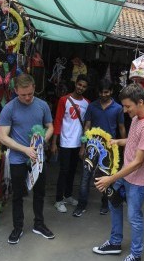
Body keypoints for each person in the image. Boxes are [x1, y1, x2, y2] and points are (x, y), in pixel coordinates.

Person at [92, 83, 144, 261]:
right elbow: (134, 140)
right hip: (125, 173)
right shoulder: (137, 117)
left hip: (137, 179)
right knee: (114, 202)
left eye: (128, 106)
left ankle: (136, 255)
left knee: (134, 216)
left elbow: (137, 162)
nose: (125, 110)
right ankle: (115, 242)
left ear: (141, 102)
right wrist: (117, 141)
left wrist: (110, 179)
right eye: (124, 106)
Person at [0, 73, 55, 244]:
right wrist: (25, 149)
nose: (28, 97)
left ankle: (39, 224)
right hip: (17, 159)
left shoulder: (42, 105)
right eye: (23, 95)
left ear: (34, 88)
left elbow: (50, 127)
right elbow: (3, 137)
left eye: (30, 93)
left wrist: (42, 141)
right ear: (15, 91)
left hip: (38, 158)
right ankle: (18, 228)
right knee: (18, 195)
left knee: (39, 193)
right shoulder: (9, 108)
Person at [73, 79, 126, 217]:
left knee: (106, 177)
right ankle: (81, 205)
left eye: (106, 92)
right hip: (91, 147)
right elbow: (87, 126)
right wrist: (83, 146)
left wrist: (124, 147)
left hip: (109, 149)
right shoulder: (92, 106)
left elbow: (121, 128)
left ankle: (104, 203)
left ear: (112, 92)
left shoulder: (118, 108)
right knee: (85, 177)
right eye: (101, 92)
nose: (103, 95)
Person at [51, 74, 90, 213]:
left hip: (78, 143)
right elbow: (58, 121)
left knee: (73, 171)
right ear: (75, 83)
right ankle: (58, 200)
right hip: (65, 141)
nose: (81, 88)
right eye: (79, 84)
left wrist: (83, 145)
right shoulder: (64, 100)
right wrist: (54, 143)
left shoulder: (87, 103)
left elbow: (87, 125)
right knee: (63, 171)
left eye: (84, 86)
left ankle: (67, 195)